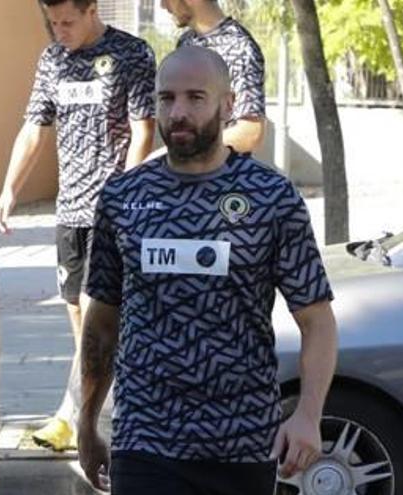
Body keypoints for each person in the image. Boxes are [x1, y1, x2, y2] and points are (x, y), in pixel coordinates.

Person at [77, 46, 338, 494]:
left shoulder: (270, 198)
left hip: (242, 442)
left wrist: (308, 416)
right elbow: (101, 325)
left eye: (196, 98)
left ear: (228, 105)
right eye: (167, 98)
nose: (178, 112)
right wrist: (86, 421)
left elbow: (318, 322)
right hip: (146, 439)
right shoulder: (122, 198)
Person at [0, 0, 157, 452]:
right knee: (79, 317)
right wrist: (9, 190)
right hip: (69, 210)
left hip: (111, 208)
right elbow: (34, 127)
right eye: (53, 22)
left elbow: (144, 128)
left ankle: (76, 414)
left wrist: (129, 196)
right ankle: (95, 407)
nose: (59, 30)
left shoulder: (131, 53)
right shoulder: (53, 59)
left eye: (67, 21)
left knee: (101, 318)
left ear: (91, 10)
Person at [157, 0, 266, 154]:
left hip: (224, 174)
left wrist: (163, 154)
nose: (163, 6)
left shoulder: (239, 47)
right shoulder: (186, 41)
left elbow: (251, 132)